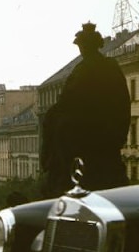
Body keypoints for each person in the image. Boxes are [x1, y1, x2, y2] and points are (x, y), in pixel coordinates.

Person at [41, 22, 130, 198]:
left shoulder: (85, 69)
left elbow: (70, 100)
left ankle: (57, 169)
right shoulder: (109, 66)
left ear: (86, 47)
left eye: (81, 46)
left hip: (88, 127)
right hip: (106, 128)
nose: (80, 49)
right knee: (54, 118)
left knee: (53, 121)